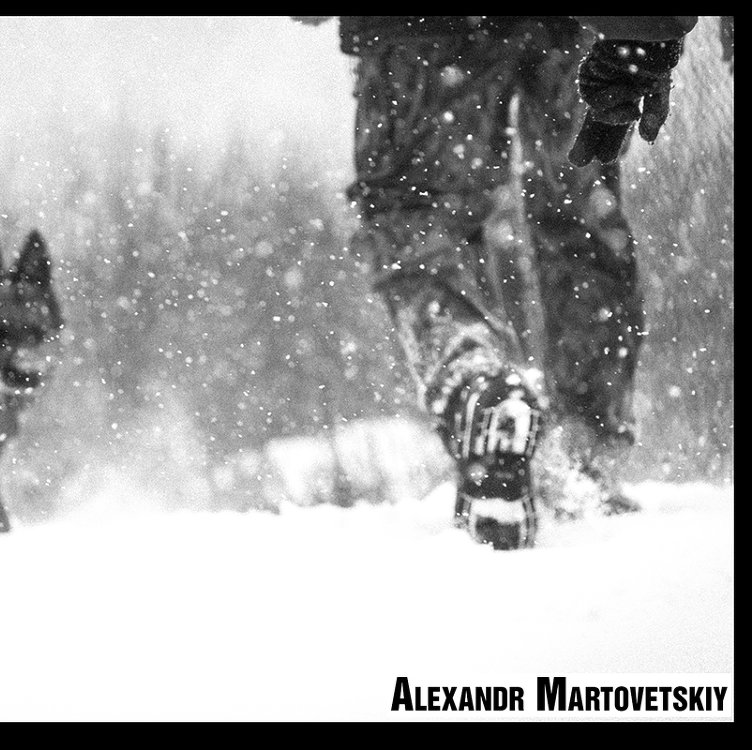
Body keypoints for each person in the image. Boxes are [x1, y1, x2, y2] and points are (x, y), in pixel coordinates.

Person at [297, 16, 705, 549]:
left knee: (416, 217)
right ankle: (580, 455)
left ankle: (478, 389)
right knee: (579, 216)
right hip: (575, 26)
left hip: (421, 29)